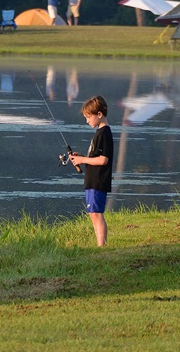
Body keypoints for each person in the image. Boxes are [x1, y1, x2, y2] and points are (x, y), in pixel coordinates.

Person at [69, 95, 114, 246]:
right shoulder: (99, 133)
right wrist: (81, 157)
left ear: (99, 115)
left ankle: (102, 246)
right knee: (92, 214)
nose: (87, 121)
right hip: (92, 180)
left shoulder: (105, 133)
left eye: (88, 117)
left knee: (96, 214)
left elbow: (103, 160)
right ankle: (100, 245)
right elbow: (95, 157)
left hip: (98, 181)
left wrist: (82, 160)